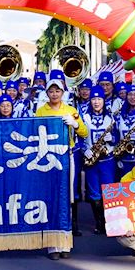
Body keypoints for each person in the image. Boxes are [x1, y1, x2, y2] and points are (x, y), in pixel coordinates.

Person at [36, 76, 88, 257]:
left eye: (58, 90)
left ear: (63, 92)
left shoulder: (71, 109)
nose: (54, 94)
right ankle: (52, 245)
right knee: (52, 197)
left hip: (68, 155)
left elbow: (84, 131)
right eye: (51, 91)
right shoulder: (41, 111)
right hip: (49, 157)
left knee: (67, 197)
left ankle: (65, 243)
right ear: (47, 93)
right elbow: (36, 132)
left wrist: (74, 124)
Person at [77, 86, 119, 235]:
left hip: (107, 159)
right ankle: (99, 222)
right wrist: (84, 149)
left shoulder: (111, 117)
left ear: (103, 100)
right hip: (91, 160)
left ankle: (110, 222)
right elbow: (79, 136)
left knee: (109, 191)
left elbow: (118, 137)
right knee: (94, 192)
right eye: (93, 99)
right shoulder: (84, 117)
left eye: (99, 99)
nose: (96, 102)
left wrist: (112, 139)